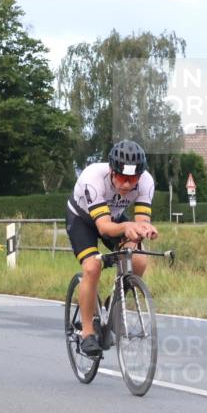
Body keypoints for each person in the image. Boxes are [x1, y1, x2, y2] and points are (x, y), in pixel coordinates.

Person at [66, 140, 158, 356]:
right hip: (84, 220)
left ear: (140, 175)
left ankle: (114, 302)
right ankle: (87, 332)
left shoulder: (146, 182)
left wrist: (145, 229)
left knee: (138, 259)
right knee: (92, 268)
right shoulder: (92, 178)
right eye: (122, 178)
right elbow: (104, 228)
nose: (127, 185)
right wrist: (128, 227)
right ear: (111, 171)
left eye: (132, 179)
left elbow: (141, 220)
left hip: (115, 218)